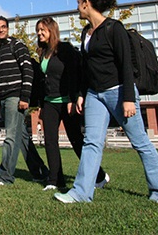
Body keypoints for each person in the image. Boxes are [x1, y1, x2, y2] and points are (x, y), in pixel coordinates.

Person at [54, 0, 158, 204]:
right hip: (94, 95)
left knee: (141, 143)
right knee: (91, 143)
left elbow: (126, 65)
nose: (77, 5)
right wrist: (81, 94)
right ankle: (81, 193)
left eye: (79, 1)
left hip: (118, 92)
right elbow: (87, 67)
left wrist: (128, 98)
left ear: (86, 3)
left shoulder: (114, 28)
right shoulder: (86, 32)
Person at [35, 17, 109, 191]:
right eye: (38, 30)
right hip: (49, 103)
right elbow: (43, 80)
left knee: (76, 140)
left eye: (42, 30)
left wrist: (72, 98)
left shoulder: (65, 49)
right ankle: (55, 180)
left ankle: (99, 175)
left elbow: (73, 74)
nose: (39, 33)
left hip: (66, 102)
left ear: (52, 30)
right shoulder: (43, 53)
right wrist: (40, 104)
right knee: (50, 141)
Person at [0, 16, 49, 185]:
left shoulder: (17, 45)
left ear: (8, 28)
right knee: (22, 138)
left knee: (11, 136)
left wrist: (25, 97)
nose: (1, 30)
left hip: (16, 97)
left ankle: (5, 176)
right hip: (3, 99)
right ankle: (41, 173)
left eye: (3, 26)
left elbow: (28, 70)